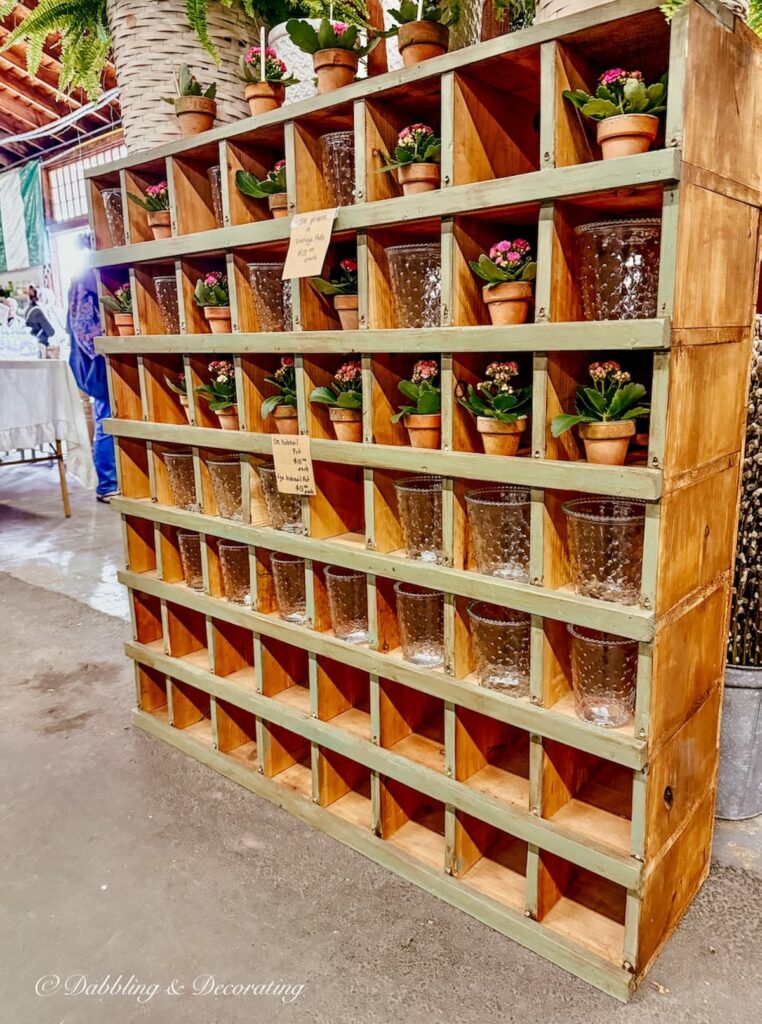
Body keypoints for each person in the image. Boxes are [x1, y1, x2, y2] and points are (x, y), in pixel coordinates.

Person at [67, 269, 117, 502]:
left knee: (106, 418)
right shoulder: (87, 281)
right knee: (106, 419)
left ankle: (110, 482)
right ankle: (108, 484)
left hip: (95, 360)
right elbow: (87, 333)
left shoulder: (82, 280)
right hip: (99, 362)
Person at [25, 284, 56, 352]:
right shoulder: (38, 312)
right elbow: (50, 332)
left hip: (31, 344)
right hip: (41, 345)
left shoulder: (29, 308)